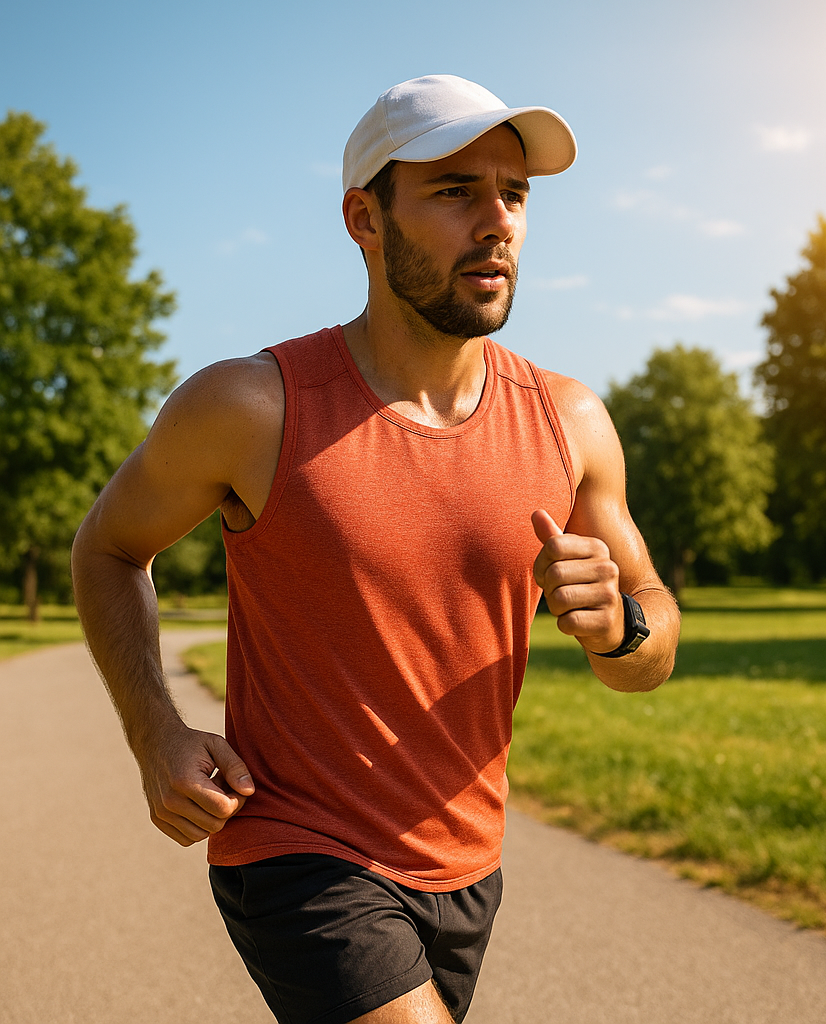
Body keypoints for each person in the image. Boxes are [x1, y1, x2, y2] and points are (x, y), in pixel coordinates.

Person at [72, 75, 680, 1024]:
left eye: (513, 194)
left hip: (469, 869)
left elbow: (651, 652)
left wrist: (625, 626)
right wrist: (154, 734)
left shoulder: (571, 423)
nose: (498, 221)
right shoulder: (251, 407)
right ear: (364, 217)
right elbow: (107, 548)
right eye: (454, 192)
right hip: (298, 853)